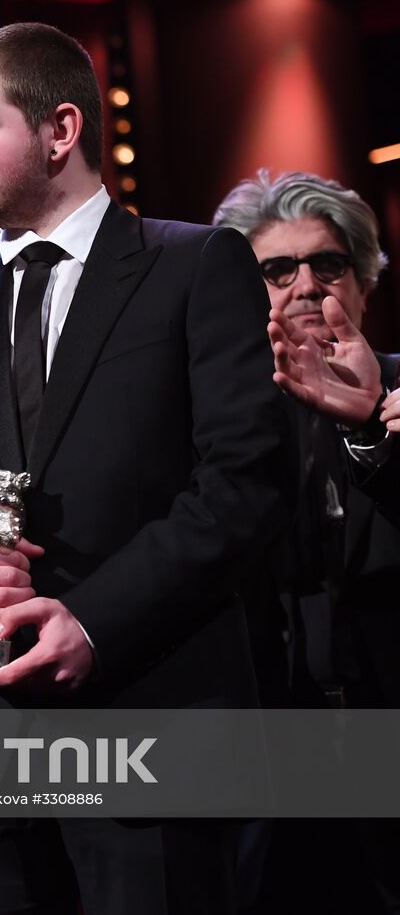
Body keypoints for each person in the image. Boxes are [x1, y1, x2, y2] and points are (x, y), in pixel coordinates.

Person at [0, 22, 290, 914]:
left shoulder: (194, 265)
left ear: (60, 130)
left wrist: (92, 621)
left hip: (150, 735)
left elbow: (242, 486)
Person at [214, 171, 400, 914]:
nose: (306, 285)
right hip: (271, 758)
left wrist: (372, 430)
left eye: (328, 264)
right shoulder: (215, 425)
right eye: (277, 269)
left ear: (364, 282)